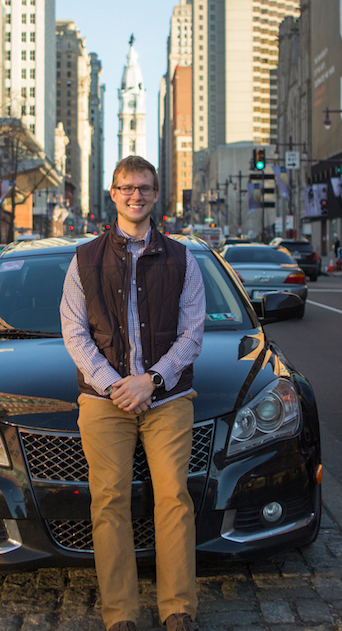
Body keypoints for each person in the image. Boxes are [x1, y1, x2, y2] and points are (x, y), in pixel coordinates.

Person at [60, 155, 205, 631]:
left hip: (167, 399)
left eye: (144, 187)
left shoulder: (183, 258)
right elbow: (74, 333)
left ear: (156, 194)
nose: (135, 195)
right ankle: (119, 615)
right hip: (105, 402)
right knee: (108, 504)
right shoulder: (84, 259)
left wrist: (152, 381)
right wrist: (115, 386)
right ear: (113, 193)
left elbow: (192, 335)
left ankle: (178, 610)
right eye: (127, 188)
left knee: (173, 500)